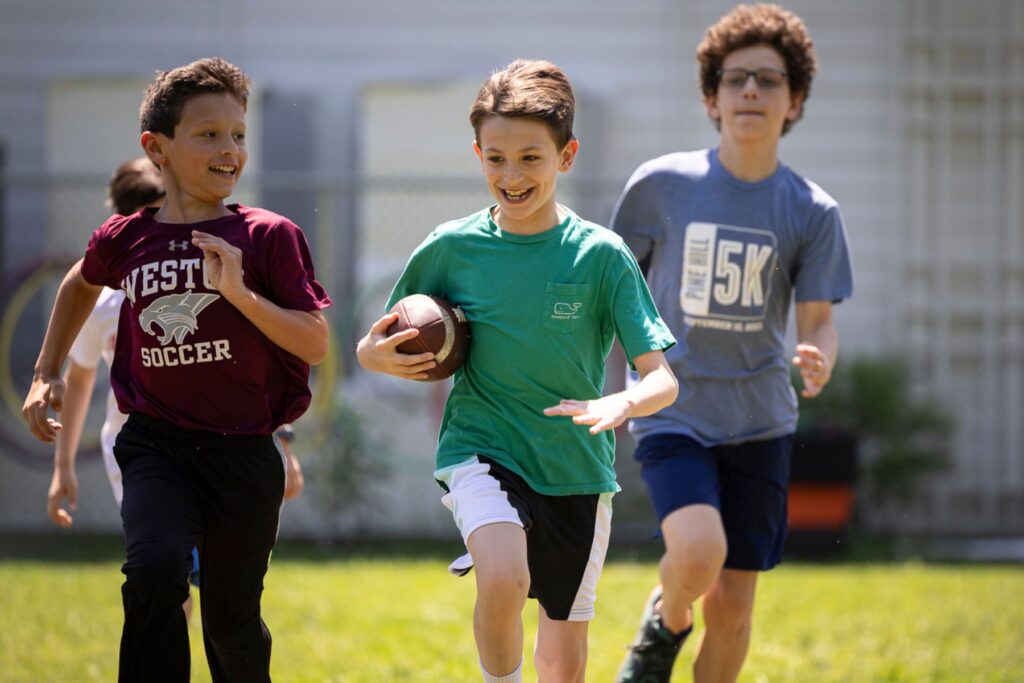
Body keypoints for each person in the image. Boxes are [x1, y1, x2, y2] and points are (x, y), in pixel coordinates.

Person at [356, 59, 678, 683]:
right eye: (496, 157)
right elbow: (377, 345)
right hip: (482, 446)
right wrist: (374, 356)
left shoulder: (602, 256)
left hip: (575, 468)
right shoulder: (450, 248)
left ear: (567, 155)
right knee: (502, 576)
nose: (511, 175)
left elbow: (662, 378)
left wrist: (623, 403)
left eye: (531, 158)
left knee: (563, 664)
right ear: (477, 153)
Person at [22, 57, 331, 683]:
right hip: (155, 444)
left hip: (245, 452)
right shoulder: (126, 237)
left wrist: (240, 294)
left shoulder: (268, 236)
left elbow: (315, 342)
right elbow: (80, 284)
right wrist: (45, 370)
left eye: (239, 134)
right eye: (209, 134)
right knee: (156, 571)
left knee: (229, 620)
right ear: (155, 148)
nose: (230, 149)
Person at [611, 5, 854, 682]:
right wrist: (613, 383)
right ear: (711, 96)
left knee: (736, 608)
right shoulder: (660, 187)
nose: (751, 90)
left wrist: (820, 355)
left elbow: (817, 322)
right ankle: (668, 618)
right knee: (696, 553)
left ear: (795, 99)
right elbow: (613, 291)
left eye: (768, 80)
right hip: (673, 407)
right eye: (735, 77)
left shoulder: (812, 210)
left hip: (760, 422)